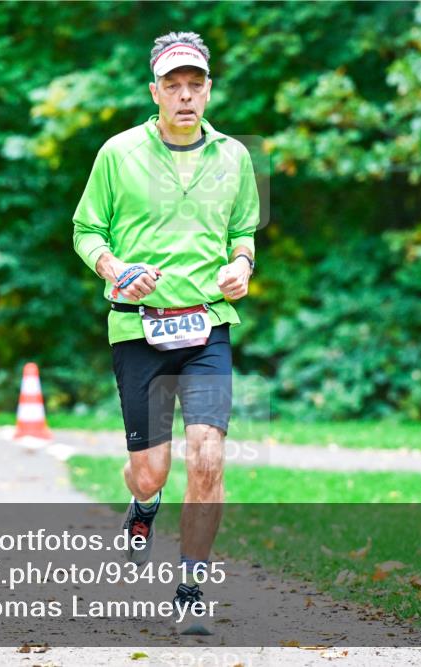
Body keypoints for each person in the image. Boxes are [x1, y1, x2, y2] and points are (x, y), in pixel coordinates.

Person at [71, 31, 260, 634]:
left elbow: (243, 234)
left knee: (207, 456)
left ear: (209, 91)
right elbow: (86, 231)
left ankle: (191, 588)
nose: (184, 95)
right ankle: (144, 504)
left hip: (208, 324)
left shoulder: (234, 156)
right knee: (151, 469)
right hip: (137, 328)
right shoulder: (117, 153)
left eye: (195, 84)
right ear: (155, 91)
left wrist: (242, 267)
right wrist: (115, 269)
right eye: (172, 85)